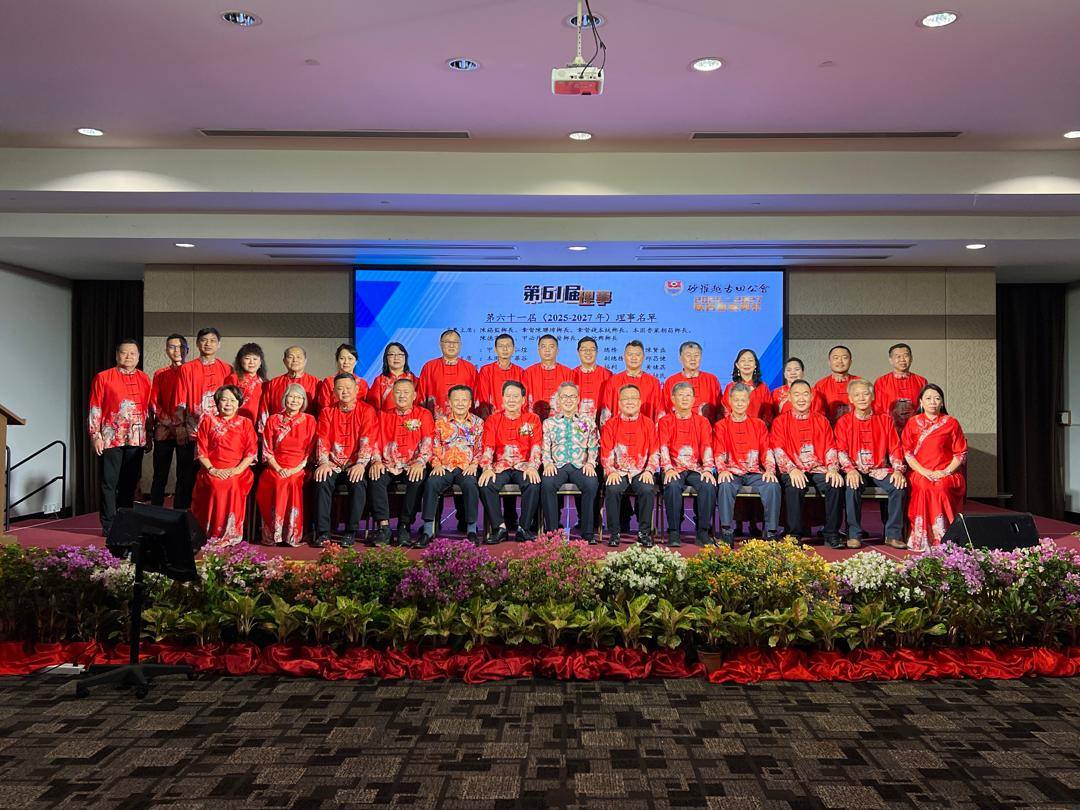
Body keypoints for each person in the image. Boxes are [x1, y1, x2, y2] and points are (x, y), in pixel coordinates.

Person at [88, 339, 153, 536]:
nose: (128, 357)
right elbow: (95, 407)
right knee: (109, 482)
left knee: (129, 483)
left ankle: (125, 522)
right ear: (117, 355)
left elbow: (148, 410)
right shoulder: (103, 377)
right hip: (111, 437)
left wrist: (148, 435)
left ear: (138, 356)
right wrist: (95, 435)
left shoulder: (144, 378)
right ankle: (109, 524)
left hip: (136, 438)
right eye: (124, 353)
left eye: (133, 353)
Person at [770, 379, 844, 547]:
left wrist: (833, 469)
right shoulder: (780, 421)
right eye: (796, 394)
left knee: (835, 483)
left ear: (811, 397)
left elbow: (830, 447)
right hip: (793, 468)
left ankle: (831, 533)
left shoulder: (822, 421)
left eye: (805, 394)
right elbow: (778, 450)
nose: (801, 398)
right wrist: (791, 469)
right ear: (790, 397)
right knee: (794, 484)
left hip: (818, 468)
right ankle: (793, 534)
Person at [835, 379, 907, 550]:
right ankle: (854, 534)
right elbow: (840, 450)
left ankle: (893, 535)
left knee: (898, 486)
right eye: (857, 395)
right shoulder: (844, 422)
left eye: (865, 394)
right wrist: (850, 470)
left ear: (872, 396)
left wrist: (898, 470)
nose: (861, 398)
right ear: (850, 399)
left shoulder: (885, 420)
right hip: (855, 469)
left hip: (879, 469)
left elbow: (895, 448)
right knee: (851, 487)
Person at [313, 374, 378, 548]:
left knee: (358, 483)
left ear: (356, 390)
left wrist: (361, 464)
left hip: (355, 463)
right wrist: (323, 462)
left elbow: (367, 438)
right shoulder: (327, 412)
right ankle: (323, 532)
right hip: (333, 463)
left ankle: (351, 531)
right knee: (321, 480)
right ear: (334, 392)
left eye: (348, 388)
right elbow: (322, 438)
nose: (344, 392)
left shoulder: (367, 410)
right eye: (340, 389)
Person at [368, 378, 435, 547]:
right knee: (375, 477)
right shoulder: (382, 415)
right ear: (392, 395)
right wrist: (376, 461)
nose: (402, 396)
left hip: (412, 463)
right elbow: (373, 441)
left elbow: (428, 441)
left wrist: (420, 462)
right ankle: (384, 527)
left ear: (414, 396)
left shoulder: (423, 414)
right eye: (398, 392)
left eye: (406, 392)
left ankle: (404, 525)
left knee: (417, 479)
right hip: (388, 462)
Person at [714, 383, 782, 545]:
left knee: (773, 485)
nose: (739, 403)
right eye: (736, 400)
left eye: (743, 400)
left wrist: (770, 470)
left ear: (748, 401)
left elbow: (767, 450)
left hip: (754, 472)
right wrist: (722, 470)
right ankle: (726, 531)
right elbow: (718, 452)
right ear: (730, 401)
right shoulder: (721, 425)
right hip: (732, 472)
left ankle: (771, 531)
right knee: (725, 485)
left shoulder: (758, 425)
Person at [902, 383, 968, 552]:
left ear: (942, 402)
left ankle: (946, 538)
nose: (933, 402)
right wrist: (924, 471)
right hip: (920, 472)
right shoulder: (912, 423)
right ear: (921, 402)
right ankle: (921, 539)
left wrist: (945, 471)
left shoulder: (951, 423)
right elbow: (908, 453)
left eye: (937, 398)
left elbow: (960, 453)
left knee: (941, 487)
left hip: (947, 472)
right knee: (924, 486)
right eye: (928, 398)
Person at [190, 384, 257, 545]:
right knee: (215, 484)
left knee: (231, 484)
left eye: (233, 400)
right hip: (211, 469)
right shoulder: (207, 421)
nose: (228, 404)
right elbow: (201, 451)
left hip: (239, 470)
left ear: (239, 403)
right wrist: (212, 469)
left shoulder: (246, 423)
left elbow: (251, 452)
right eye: (224, 400)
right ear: (217, 402)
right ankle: (210, 533)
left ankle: (229, 534)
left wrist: (236, 470)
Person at [175, 327, 232, 510]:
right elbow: (180, 399)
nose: (208, 344)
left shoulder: (227, 369)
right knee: (186, 476)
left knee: (212, 478)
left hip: (218, 435)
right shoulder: (187, 368)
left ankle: (208, 516)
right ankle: (181, 516)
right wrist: (180, 426)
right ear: (198, 343)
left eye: (213, 340)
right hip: (192, 431)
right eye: (204, 340)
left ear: (219, 344)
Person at [420, 385, 485, 546]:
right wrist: (436, 464)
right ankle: (427, 530)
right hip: (445, 466)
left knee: (470, 485)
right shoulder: (440, 422)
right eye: (456, 400)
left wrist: (474, 464)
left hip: (466, 467)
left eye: (464, 400)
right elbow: (434, 446)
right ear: (449, 402)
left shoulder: (478, 423)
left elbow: (480, 448)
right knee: (432, 483)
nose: (460, 403)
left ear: (470, 402)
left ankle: (471, 530)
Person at [478, 381, 542, 543]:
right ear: (502, 398)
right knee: (486, 484)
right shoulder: (493, 419)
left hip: (524, 465)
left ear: (523, 400)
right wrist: (487, 468)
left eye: (515, 396)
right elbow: (488, 446)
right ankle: (499, 528)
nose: (511, 400)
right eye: (508, 396)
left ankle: (524, 528)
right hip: (501, 466)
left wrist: (533, 467)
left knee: (533, 483)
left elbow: (536, 446)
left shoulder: (533, 419)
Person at [255, 383, 317, 546]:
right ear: (284, 398)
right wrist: (279, 468)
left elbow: (310, 451)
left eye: (298, 397)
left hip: (299, 466)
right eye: (291, 396)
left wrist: (296, 469)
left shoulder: (309, 420)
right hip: (276, 465)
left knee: (292, 481)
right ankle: (274, 533)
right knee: (276, 480)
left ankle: (291, 534)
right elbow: (267, 449)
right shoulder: (273, 419)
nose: (294, 400)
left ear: (303, 401)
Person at [658, 381, 716, 548]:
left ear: (693, 399)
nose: (684, 398)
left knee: (708, 485)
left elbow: (707, 446)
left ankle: (703, 532)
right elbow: (662, 446)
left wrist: (707, 470)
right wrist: (668, 468)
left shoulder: (702, 422)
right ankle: (674, 532)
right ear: (673, 398)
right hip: (673, 467)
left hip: (695, 468)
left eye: (688, 395)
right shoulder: (665, 421)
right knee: (672, 484)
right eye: (681, 395)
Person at [540, 382, 600, 543]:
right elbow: (544, 447)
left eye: (572, 396)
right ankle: (553, 533)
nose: (568, 400)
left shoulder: (587, 422)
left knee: (591, 483)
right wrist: (548, 463)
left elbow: (594, 445)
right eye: (564, 396)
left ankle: (588, 533)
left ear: (578, 399)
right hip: (557, 466)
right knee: (547, 484)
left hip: (580, 465)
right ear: (558, 399)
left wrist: (590, 463)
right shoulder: (549, 423)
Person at [601, 385, 660, 548]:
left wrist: (649, 471)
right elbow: (606, 452)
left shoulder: (648, 424)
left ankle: (644, 533)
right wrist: (611, 471)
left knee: (647, 489)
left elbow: (655, 452)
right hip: (618, 471)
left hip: (640, 471)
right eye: (625, 399)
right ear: (619, 403)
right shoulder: (610, 424)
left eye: (633, 398)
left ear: (640, 402)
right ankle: (614, 533)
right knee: (612, 489)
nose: (630, 402)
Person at [148, 334, 188, 507]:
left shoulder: (192, 371)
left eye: (180, 347)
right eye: (172, 347)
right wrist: (170, 423)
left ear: (187, 350)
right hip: (164, 430)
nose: (176, 351)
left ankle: (181, 512)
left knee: (184, 475)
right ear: (166, 350)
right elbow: (154, 402)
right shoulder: (160, 374)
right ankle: (155, 511)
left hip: (186, 430)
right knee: (160, 474)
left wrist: (181, 425)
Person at [418, 329, 478, 418]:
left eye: (455, 342)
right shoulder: (429, 367)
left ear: (460, 345)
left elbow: (476, 398)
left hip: (465, 423)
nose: (451, 345)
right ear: (440, 344)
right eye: (447, 342)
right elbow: (421, 396)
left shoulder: (470, 368)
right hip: (435, 421)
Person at [601, 340, 664, 423]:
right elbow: (606, 412)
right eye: (630, 354)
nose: (634, 358)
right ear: (623, 357)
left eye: (637, 354)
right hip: (618, 429)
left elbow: (660, 413)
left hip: (645, 430)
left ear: (643, 357)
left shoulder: (653, 382)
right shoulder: (613, 381)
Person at [874, 343, 928, 435]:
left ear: (911, 358)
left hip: (915, 430)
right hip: (889, 430)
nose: (902, 359)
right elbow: (877, 408)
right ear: (891, 360)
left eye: (905, 356)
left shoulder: (921, 381)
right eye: (898, 356)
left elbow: (925, 408)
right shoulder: (881, 382)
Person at [259, 346, 319, 429]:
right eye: (290, 357)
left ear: (305, 361)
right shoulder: (273, 383)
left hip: (305, 431)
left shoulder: (316, 383)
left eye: (298, 357)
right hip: (277, 430)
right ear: (284, 361)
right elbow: (264, 409)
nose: (295, 360)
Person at [664, 341, 722, 422]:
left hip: (707, 427)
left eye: (696, 355)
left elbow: (720, 409)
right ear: (680, 359)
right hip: (678, 427)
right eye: (688, 355)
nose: (693, 359)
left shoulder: (711, 380)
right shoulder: (671, 381)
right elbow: (666, 409)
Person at [522, 333, 575, 421]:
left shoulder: (568, 373)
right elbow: (523, 401)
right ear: (538, 350)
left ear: (557, 351)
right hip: (534, 421)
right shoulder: (528, 372)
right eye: (543, 346)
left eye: (551, 346)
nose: (547, 350)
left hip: (561, 422)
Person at [475, 333, 525, 419]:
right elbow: (483, 398)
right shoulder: (486, 370)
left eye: (508, 346)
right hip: (493, 419)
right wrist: (489, 420)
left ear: (514, 349)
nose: (505, 349)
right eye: (501, 346)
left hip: (515, 417)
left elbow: (523, 398)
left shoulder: (520, 372)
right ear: (495, 349)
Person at [722, 348, 772, 422]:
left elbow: (768, 412)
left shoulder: (763, 387)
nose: (746, 363)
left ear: (755, 365)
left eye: (750, 360)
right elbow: (725, 411)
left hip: (758, 428)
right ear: (737, 365)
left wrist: (760, 426)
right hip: (734, 427)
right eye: (743, 360)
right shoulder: (730, 387)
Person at [813, 345, 859, 424]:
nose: (840, 361)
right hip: (829, 429)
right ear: (829, 362)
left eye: (844, 358)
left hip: (855, 428)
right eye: (836, 358)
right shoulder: (820, 385)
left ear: (850, 362)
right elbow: (817, 414)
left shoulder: (859, 383)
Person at [316, 343, 369, 412]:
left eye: (350, 358)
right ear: (337, 361)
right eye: (342, 358)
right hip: (333, 416)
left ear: (356, 361)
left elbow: (366, 407)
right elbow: (324, 406)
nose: (346, 362)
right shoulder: (329, 382)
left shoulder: (362, 383)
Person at [368, 342, 418, 413]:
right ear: (386, 358)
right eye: (392, 354)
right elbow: (373, 408)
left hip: (411, 419)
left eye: (400, 354)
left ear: (405, 357)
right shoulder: (379, 380)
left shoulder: (414, 380)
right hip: (386, 418)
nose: (396, 358)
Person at [224, 343, 267, 425]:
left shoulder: (265, 382)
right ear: (240, 361)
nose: (251, 362)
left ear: (260, 362)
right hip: (236, 422)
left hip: (257, 423)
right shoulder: (233, 378)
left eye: (255, 359)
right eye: (247, 358)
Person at [572, 336, 612, 421]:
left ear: (597, 352)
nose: (588, 352)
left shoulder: (607, 375)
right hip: (575, 424)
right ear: (578, 352)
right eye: (584, 349)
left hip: (601, 422)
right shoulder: (571, 375)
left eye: (592, 349)